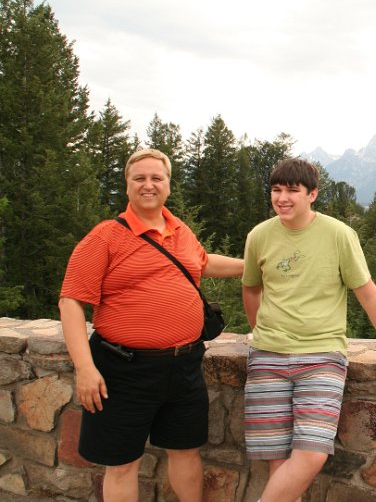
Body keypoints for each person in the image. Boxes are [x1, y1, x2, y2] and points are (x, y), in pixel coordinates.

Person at [59, 148, 244, 502]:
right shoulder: (104, 237)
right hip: (123, 368)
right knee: (123, 463)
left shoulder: (180, 230)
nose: (148, 185)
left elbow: (202, 263)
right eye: (139, 178)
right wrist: (84, 368)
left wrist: (255, 265)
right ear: (127, 185)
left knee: (186, 450)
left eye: (156, 178)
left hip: (185, 364)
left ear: (168, 186)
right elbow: (70, 302)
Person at [242, 157, 376, 502]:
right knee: (277, 459)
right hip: (267, 356)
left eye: (293, 190)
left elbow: (367, 293)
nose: (282, 198)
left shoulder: (338, 235)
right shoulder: (259, 235)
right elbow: (251, 288)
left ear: (312, 194)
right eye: (276, 190)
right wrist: (259, 331)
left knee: (312, 453)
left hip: (321, 356)